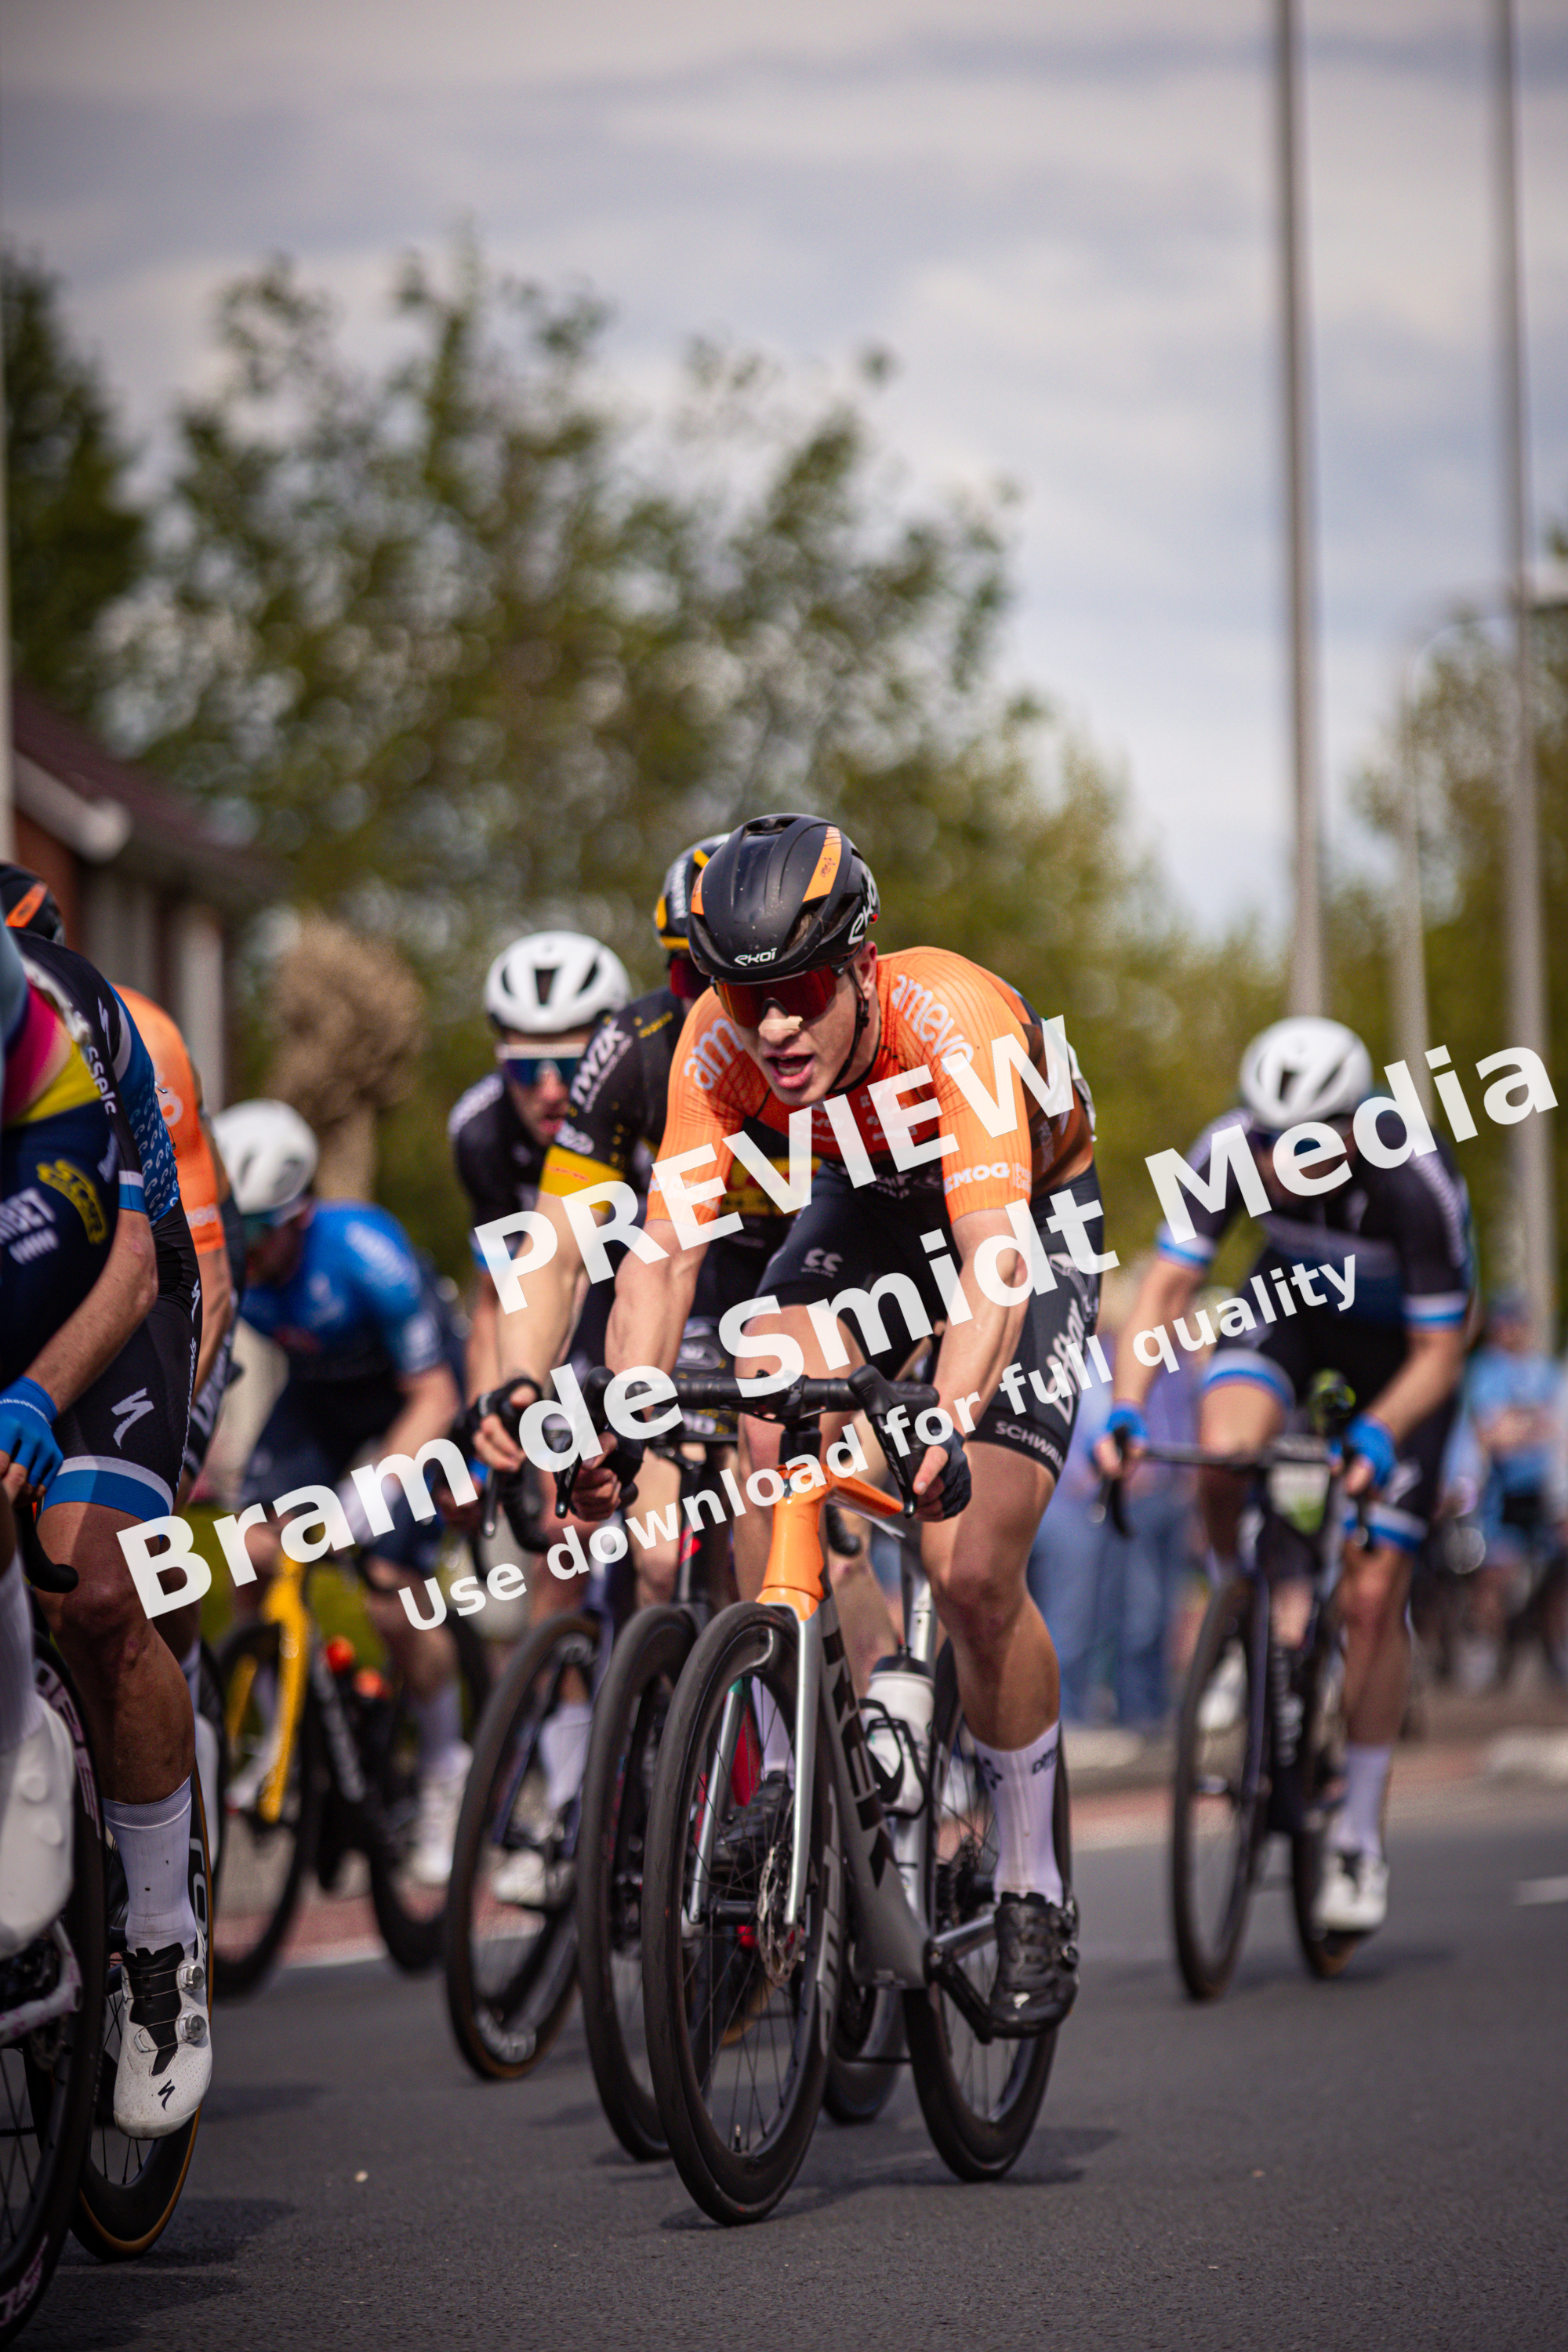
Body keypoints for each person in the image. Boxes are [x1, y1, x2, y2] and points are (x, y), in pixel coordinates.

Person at [573, 811, 1103, 2033]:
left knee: (972, 1566)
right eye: (742, 993)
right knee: (767, 1379)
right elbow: (657, 1263)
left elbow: (993, 1261)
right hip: (868, 1203)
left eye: (803, 991)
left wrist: (942, 1419)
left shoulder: (953, 1022)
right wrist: (619, 1421)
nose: (772, 1026)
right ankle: (820, 1716)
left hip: (1022, 1214)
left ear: (862, 967)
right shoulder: (722, 1041)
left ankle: (1031, 1885)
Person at [1095, 1014, 1473, 1936]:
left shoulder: (1411, 1176)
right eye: (1267, 1141)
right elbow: (1164, 1290)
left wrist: (1380, 1435)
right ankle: (1243, 1614)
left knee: (1374, 1595)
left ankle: (1356, 1835)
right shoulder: (1228, 1146)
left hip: (1402, 1361)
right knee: (1226, 1451)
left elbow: (1440, 1351)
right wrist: (1126, 1405)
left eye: (1304, 1145)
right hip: (1292, 1309)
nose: (1278, 1162)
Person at [1, 865, 209, 2132]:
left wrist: (31, 1395)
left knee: (97, 1597)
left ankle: (159, 1945)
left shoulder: (67, 1025)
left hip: (109, 1295)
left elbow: (132, 1266)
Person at [214, 1099, 469, 1885]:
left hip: (413, 1395)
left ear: (299, 1215)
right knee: (250, 1547)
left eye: (256, 1233)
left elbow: (435, 1395)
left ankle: (442, 1770)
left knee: (392, 1590)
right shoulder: (228, 1257)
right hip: (319, 1397)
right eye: (233, 1230)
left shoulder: (365, 1252)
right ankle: (274, 1739)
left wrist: (373, 1491)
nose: (243, 1251)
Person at [115, 984, 245, 1849]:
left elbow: (206, 1280)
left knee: (131, 1545)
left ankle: (182, 1709)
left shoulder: (139, 1034)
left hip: (178, 1295)